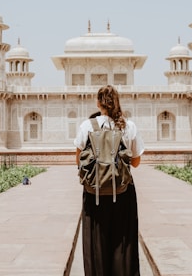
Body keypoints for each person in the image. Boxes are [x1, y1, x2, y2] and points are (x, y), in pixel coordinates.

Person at [74, 85, 144, 276]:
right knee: (123, 242)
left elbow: (78, 160)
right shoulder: (128, 126)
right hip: (123, 192)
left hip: (94, 193)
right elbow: (136, 162)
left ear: (98, 103)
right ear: (117, 102)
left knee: (96, 242)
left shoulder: (87, 125)